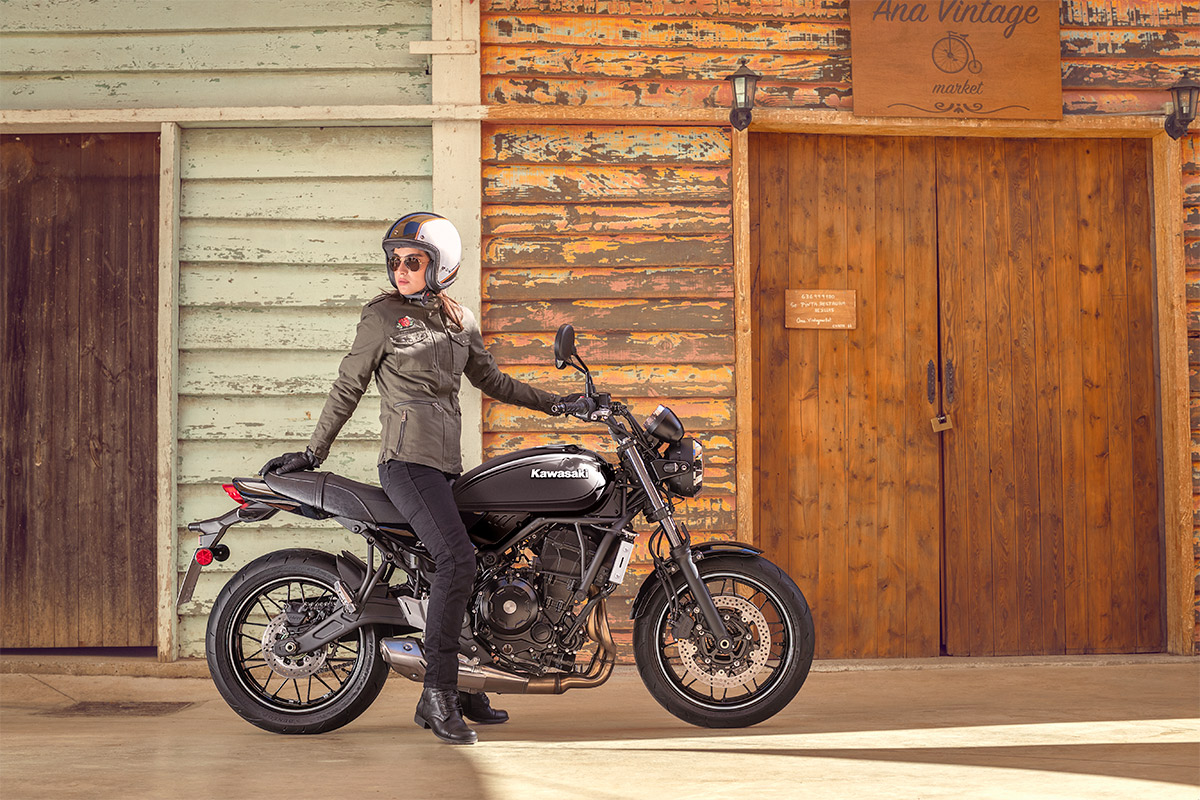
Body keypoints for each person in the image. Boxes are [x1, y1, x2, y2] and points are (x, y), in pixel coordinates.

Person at [261, 212, 563, 745]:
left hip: (448, 468)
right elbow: (347, 386)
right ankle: (438, 695)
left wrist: (561, 404)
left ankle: (466, 686)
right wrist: (313, 451)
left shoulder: (459, 320)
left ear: (440, 267)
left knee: (486, 560)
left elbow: (492, 380)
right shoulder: (382, 318)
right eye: (396, 261)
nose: (401, 270)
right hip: (406, 464)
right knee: (456, 559)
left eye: (413, 261)